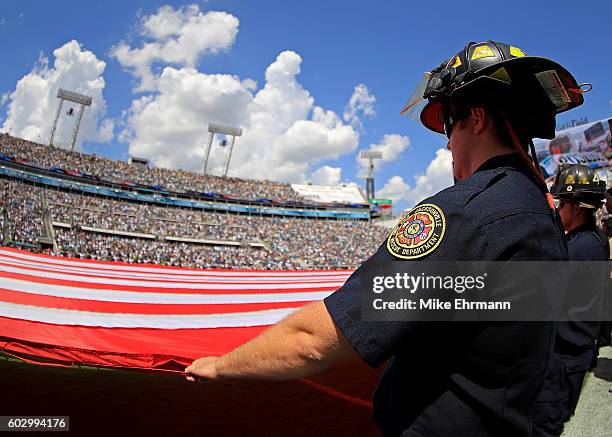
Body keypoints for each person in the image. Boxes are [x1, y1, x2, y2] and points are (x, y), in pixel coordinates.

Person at [186, 41, 586, 436]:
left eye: (449, 123)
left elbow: (315, 340)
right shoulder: (541, 211)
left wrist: (221, 364)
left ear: (477, 118)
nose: (447, 143)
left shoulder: (467, 212)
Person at [532, 164, 609, 436]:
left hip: (563, 360)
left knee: (543, 427)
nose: (557, 209)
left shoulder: (581, 248)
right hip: (569, 356)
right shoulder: (588, 240)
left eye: (561, 202)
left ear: (576, 206)